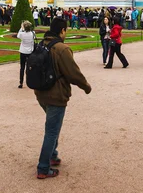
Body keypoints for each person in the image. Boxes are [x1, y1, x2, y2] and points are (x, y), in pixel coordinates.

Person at [34, 18, 92, 179]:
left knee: (53, 126)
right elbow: (73, 74)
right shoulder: (62, 48)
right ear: (62, 31)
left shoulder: (41, 44)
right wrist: (86, 86)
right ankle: (43, 167)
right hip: (56, 95)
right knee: (52, 131)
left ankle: (52, 155)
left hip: (40, 92)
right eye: (65, 30)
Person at [17, 21, 36, 88]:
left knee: (22, 67)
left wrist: (21, 28)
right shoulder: (33, 33)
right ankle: (31, 81)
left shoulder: (22, 34)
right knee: (29, 67)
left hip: (23, 51)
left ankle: (21, 82)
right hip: (30, 52)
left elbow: (18, 35)